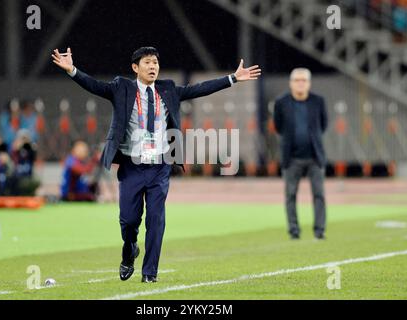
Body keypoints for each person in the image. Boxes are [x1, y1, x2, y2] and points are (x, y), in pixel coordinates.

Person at [52, 46, 261, 283]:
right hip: (132, 166)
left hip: (160, 166)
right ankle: (129, 249)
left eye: (155, 63)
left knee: (156, 220)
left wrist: (232, 78)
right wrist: (72, 70)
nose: (153, 67)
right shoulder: (122, 87)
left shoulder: (168, 89)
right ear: (135, 67)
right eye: (148, 63)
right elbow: (95, 86)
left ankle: (149, 274)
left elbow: (199, 89)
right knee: (129, 221)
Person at [273, 68, 328, 240]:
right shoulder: (281, 102)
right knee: (290, 195)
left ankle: (319, 231)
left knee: (319, 194)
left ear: (309, 83)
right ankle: (294, 230)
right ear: (290, 83)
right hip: (292, 157)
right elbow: (278, 126)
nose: (300, 83)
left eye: (303, 80)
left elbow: (323, 124)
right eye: (297, 80)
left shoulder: (318, 101)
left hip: (314, 156)